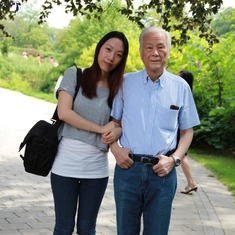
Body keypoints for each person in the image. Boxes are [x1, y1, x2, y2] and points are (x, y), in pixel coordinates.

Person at [107, 27, 200, 235]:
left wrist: (174, 159)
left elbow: (187, 131)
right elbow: (114, 122)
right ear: (141, 52)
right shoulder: (125, 83)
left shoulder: (181, 87)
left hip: (163, 173)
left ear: (168, 50)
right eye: (149, 47)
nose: (155, 52)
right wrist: (115, 149)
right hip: (128, 170)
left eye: (160, 47)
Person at [50, 31, 129, 235]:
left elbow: (119, 123)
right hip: (65, 164)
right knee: (64, 227)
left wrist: (117, 131)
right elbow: (64, 112)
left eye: (118, 54)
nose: (111, 57)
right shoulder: (75, 74)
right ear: (99, 48)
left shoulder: (119, 88)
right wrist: (100, 128)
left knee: (87, 228)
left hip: (96, 168)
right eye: (108, 49)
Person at [178, 70, 198, 194]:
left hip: (182, 131)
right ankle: (191, 183)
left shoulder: (183, 92)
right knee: (182, 155)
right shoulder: (187, 92)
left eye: (179, 77)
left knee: (182, 155)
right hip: (181, 131)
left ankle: (191, 183)